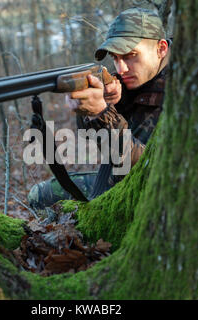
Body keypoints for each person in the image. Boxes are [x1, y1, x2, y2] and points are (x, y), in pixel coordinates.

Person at [28, 7, 170, 210]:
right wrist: (94, 109)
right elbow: (87, 136)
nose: (121, 68)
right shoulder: (130, 78)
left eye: (130, 55)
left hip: (156, 194)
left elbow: (151, 171)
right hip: (121, 180)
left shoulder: (185, 90)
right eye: (114, 58)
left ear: (161, 49)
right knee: (41, 195)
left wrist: (103, 115)